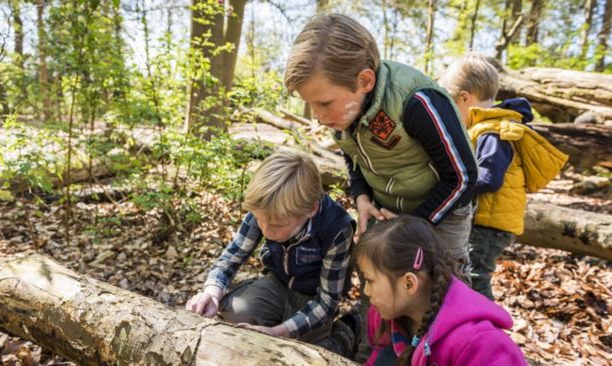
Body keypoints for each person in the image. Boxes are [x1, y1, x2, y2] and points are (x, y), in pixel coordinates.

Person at [284, 13, 478, 282]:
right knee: (380, 283)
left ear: (364, 81)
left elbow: (463, 177)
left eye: (324, 103)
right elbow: (355, 156)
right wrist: (362, 197)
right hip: (386, 210)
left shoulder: (416, 102)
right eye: (311, 104)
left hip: (442, 211)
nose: (316, 115)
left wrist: (413, 226)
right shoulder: (346, 111)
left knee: (442, 284)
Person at [185, 149, 357, 356]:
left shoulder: (337, 228)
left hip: (314, 297)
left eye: (277, 225)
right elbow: (231, 257)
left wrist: (279, 332)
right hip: (278, 283)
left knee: (311, 354)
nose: (266, 230)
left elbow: (327, 301)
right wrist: (211, 292)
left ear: (310, 210)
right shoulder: (267, 208)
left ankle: (348, 329)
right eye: (261, 221)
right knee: (235, 313)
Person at [438, 52, 568, 300]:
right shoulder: (488, 126)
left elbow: (490, 179)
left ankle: (489, 330)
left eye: (452, 105)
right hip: (488, 220)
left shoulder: (493, 131)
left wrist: (457, 181)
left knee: (476, 276)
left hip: (491, 224)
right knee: (468, 273)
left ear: (465, 98)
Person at [355, 216, 528, 365]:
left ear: (409, 284)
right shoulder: (384, 316)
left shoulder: (478, 342)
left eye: (370, 281)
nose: (366, 291)